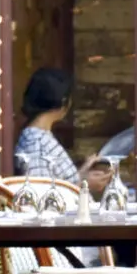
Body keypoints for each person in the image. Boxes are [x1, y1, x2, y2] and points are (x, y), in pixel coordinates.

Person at [14, 67, 112, 195]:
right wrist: (84, 184)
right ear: (64, 102)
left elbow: (56, 181)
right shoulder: (36, 143)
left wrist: (82, 173)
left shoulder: (39, 136)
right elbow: (41, 194)